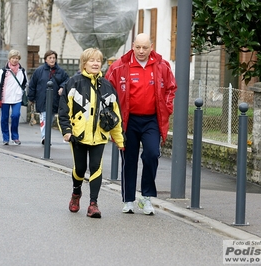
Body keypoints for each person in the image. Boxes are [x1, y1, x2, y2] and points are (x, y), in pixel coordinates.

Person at [105, 33, 177, 215]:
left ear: (151, 47)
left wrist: (167, 107)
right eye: (138, 47)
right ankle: (128, 199)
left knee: (152, 154)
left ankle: (146, 198)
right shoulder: (120, 66)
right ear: (133, 46)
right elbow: (107, 88)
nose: (141, 51)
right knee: (129, 160)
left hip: (152, 119)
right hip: (128, 120)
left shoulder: (162, 65)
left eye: (145, 47)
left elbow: (171, 88)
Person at [58, 48, 124, 218]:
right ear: (84, 63)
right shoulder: (73, 83)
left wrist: (119, 140)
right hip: (78, 135)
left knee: (96, 167)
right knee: (80, 168)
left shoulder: (107, 86)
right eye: (91, 60)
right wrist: (66, 131)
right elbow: (63, 110)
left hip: (100, 136)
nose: (95, 63)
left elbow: (114, 115)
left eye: (98, 60)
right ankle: (76, 193)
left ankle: (93, 204)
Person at [28, 50, 69, 145]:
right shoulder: (39, 71)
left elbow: (67, 80)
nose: (52, 60)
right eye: (50, 58)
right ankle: (45, 137)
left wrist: (62, 87)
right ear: (45, 59)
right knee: (44, 117)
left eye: (54, 58)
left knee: (50, 119)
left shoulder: (60, 71)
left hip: (54, 99)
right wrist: (31, 97)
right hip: (42, 99)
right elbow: (32, 84)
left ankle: (46, 136)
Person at [0, 49, 27, 145]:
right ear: (9, 59)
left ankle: (15, 137)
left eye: (17, 58)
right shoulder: (4, 71)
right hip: (5, 98)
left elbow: (25, 83)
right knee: (4, 118)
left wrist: (22, 92)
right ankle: (5, 138)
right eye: (13, 58)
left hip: (17, 98)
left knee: (15, 115)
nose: (15, 60)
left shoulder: (22, 71)